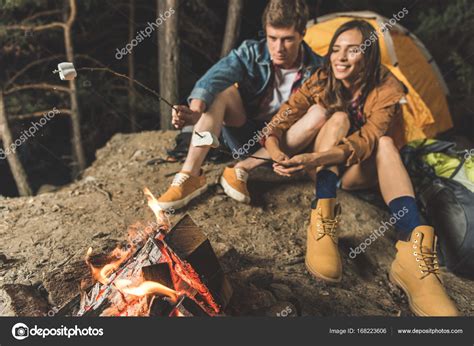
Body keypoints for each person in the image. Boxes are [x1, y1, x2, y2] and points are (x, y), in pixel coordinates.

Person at [264, 20, 460, 316]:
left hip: (359, 172)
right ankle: (324, 214)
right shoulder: (322, 77)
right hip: (323, 168)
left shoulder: (388, 88)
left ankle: (412, 254)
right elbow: (282, 117)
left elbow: (367, 141)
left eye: (352, 50)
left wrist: (314, 159)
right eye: (336, 50)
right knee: (337, 118)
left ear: (367, 55)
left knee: (383, 143)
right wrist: (275, 149)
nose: (341, 58)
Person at [157, 0, 325, 209]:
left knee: (320, 112)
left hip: (281, 145)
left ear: (302, 33)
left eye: (287, 39)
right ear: (265, 32)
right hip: (243, 136)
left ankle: (241, 169)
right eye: (272, 38)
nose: (278, 48)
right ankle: (189, 176)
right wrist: (195, 110)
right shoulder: (252, 52)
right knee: (223, 91)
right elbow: (214, 78)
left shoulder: (319, 68)